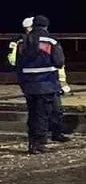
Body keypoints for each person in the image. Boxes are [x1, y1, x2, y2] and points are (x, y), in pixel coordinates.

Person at [13, 15, 66, 154]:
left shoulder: (22, 41)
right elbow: (59, 62)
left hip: (28, 84)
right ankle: (39, 143)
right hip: (46, 83)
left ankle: (32, 142)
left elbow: (17, 64)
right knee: (42, 114)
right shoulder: (51, 41)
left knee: (32, 113)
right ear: (46, 26)